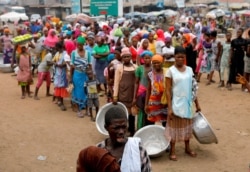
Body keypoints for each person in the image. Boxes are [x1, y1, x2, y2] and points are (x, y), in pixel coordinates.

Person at [165, 46, 201, 161]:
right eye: (178, 57)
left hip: (188, 103)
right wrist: (169, 108)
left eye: (182, 57)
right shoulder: (170, 71)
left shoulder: (190, 70)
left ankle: (187, 148)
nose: (180, 59)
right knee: (174, 127)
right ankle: (173, 150)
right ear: (174, 57)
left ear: (185, 57)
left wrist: (197, 103)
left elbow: (193, 88)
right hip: (176, 103)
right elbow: (167, 91)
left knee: (187, 126)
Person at [96, 106, 152, 172]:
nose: (121, 132)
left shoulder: (138, 149)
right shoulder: (98, 151)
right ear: (106, 128)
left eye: (124, 127)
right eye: (116, 128)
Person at [113, 47, 137, 136]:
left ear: (131, 57)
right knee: (124, 114)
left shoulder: (135, 67)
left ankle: (132, 130)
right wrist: (115, 96)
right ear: (122, 58)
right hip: (123, 94)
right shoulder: (119, 68)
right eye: (124, 57)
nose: (126, 58)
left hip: (132, 93)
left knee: (132, 114)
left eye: (128, 56)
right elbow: (116, 83)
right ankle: (123, 130)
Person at [70, 36, 92, 117]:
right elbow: (72, 66)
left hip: (85, 75)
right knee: (78, 92)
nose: (79, 46)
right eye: (77, 45)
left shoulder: (88, 53)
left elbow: (90, 65)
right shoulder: (73, 53)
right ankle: (79, 110)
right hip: (77, 75)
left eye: (80, 45)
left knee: (87, 92)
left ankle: (87, 110)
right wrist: (70, 78)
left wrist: (91, 76)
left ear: (83, 44)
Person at [133, 50, 154, 129]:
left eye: (149, 58)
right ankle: (140, 129)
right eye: (145, 58)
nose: (147, 60)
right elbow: (136, 83)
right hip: (141, 93)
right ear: (142, 59)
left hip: (151, 93)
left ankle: (149, 129)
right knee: (141, 112)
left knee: (150, 112)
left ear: (151, 58)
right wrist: (135, 97)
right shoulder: (139, 69)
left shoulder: (154, 69)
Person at [145, 54, 167, 125]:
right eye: (154, 63)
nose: (156, 64)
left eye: (158, 62)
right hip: (153, 102)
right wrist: (146, 104)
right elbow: (148, 90)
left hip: (164, 102)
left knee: (165, 122)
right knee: (151, 121)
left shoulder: (167, 73)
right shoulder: (150, 75)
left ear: (162, 63)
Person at [52, 42, 70, 111]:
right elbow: (53, 60)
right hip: (57, 73)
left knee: (62, 87)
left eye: (56, 47)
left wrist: (57, 64)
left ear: (59, 47)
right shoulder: (57, 53)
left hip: (63, 73)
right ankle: (59, 101)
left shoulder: (65, 54)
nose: (55, 48)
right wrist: (55, 63)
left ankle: (61, 102)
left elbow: (65, 64)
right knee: (58, 86)